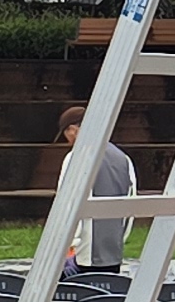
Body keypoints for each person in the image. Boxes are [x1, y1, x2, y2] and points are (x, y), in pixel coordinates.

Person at [59, 100, 140, 271]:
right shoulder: (123, 159)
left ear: (73, 130)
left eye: (66, 134)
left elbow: (68, 205)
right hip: (114, 251)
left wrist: (69, 244)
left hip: (84, 254)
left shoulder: (76, 157)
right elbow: (130, 206)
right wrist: (120, 239)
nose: (68, 141)